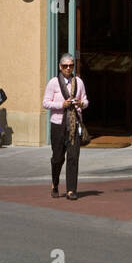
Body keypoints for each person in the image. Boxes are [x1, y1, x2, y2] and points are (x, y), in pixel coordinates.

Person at [42, 53, 89, 199]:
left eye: (71, 66)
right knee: (57, 158)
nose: (68, 68)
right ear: (60, 67)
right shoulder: (53, 83)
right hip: (58, 125)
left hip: (74, 125)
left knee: (73, 157)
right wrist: (61, 104)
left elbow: (86, 100)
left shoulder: (79, 82)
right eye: (65, 66)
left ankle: (71, 190)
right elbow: (45, 103)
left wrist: (81, 103)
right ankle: (55, 183)